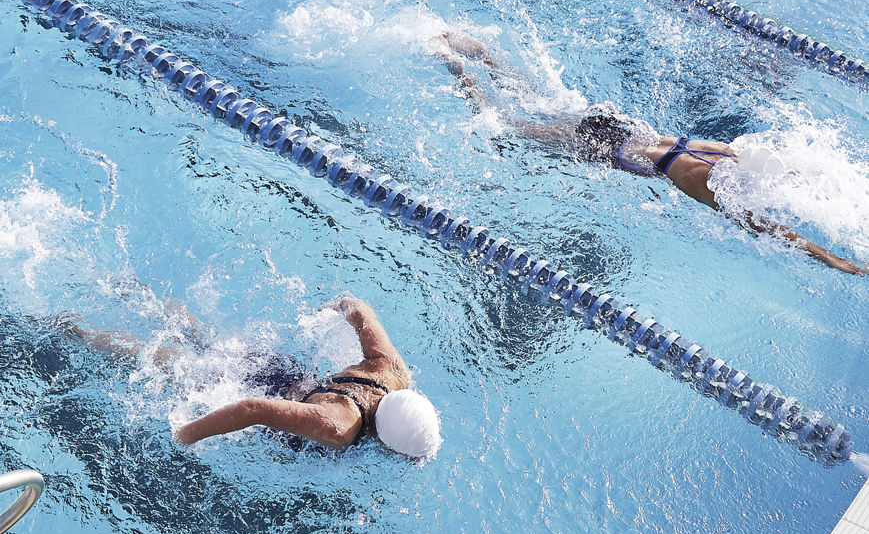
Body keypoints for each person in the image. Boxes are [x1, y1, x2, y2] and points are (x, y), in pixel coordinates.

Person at [434, 30, 866, 275]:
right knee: (508, 125)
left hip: (620, 124)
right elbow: (769, 229)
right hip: (605, 145)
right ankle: (452, 65)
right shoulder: (705, 183)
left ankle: (478, 50)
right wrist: (829, 257)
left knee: (531, 95)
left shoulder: (726, 153)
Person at [62, 288, 442, 458]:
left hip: (283, 370)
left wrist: (322, 313)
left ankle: (127, 288)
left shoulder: (393, 370)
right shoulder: (339, 428)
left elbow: (355, 307)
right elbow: (252, 410)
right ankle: (76, 329)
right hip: (259, 391)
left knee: (203, 338)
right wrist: (185, 435)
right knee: (166, 361)